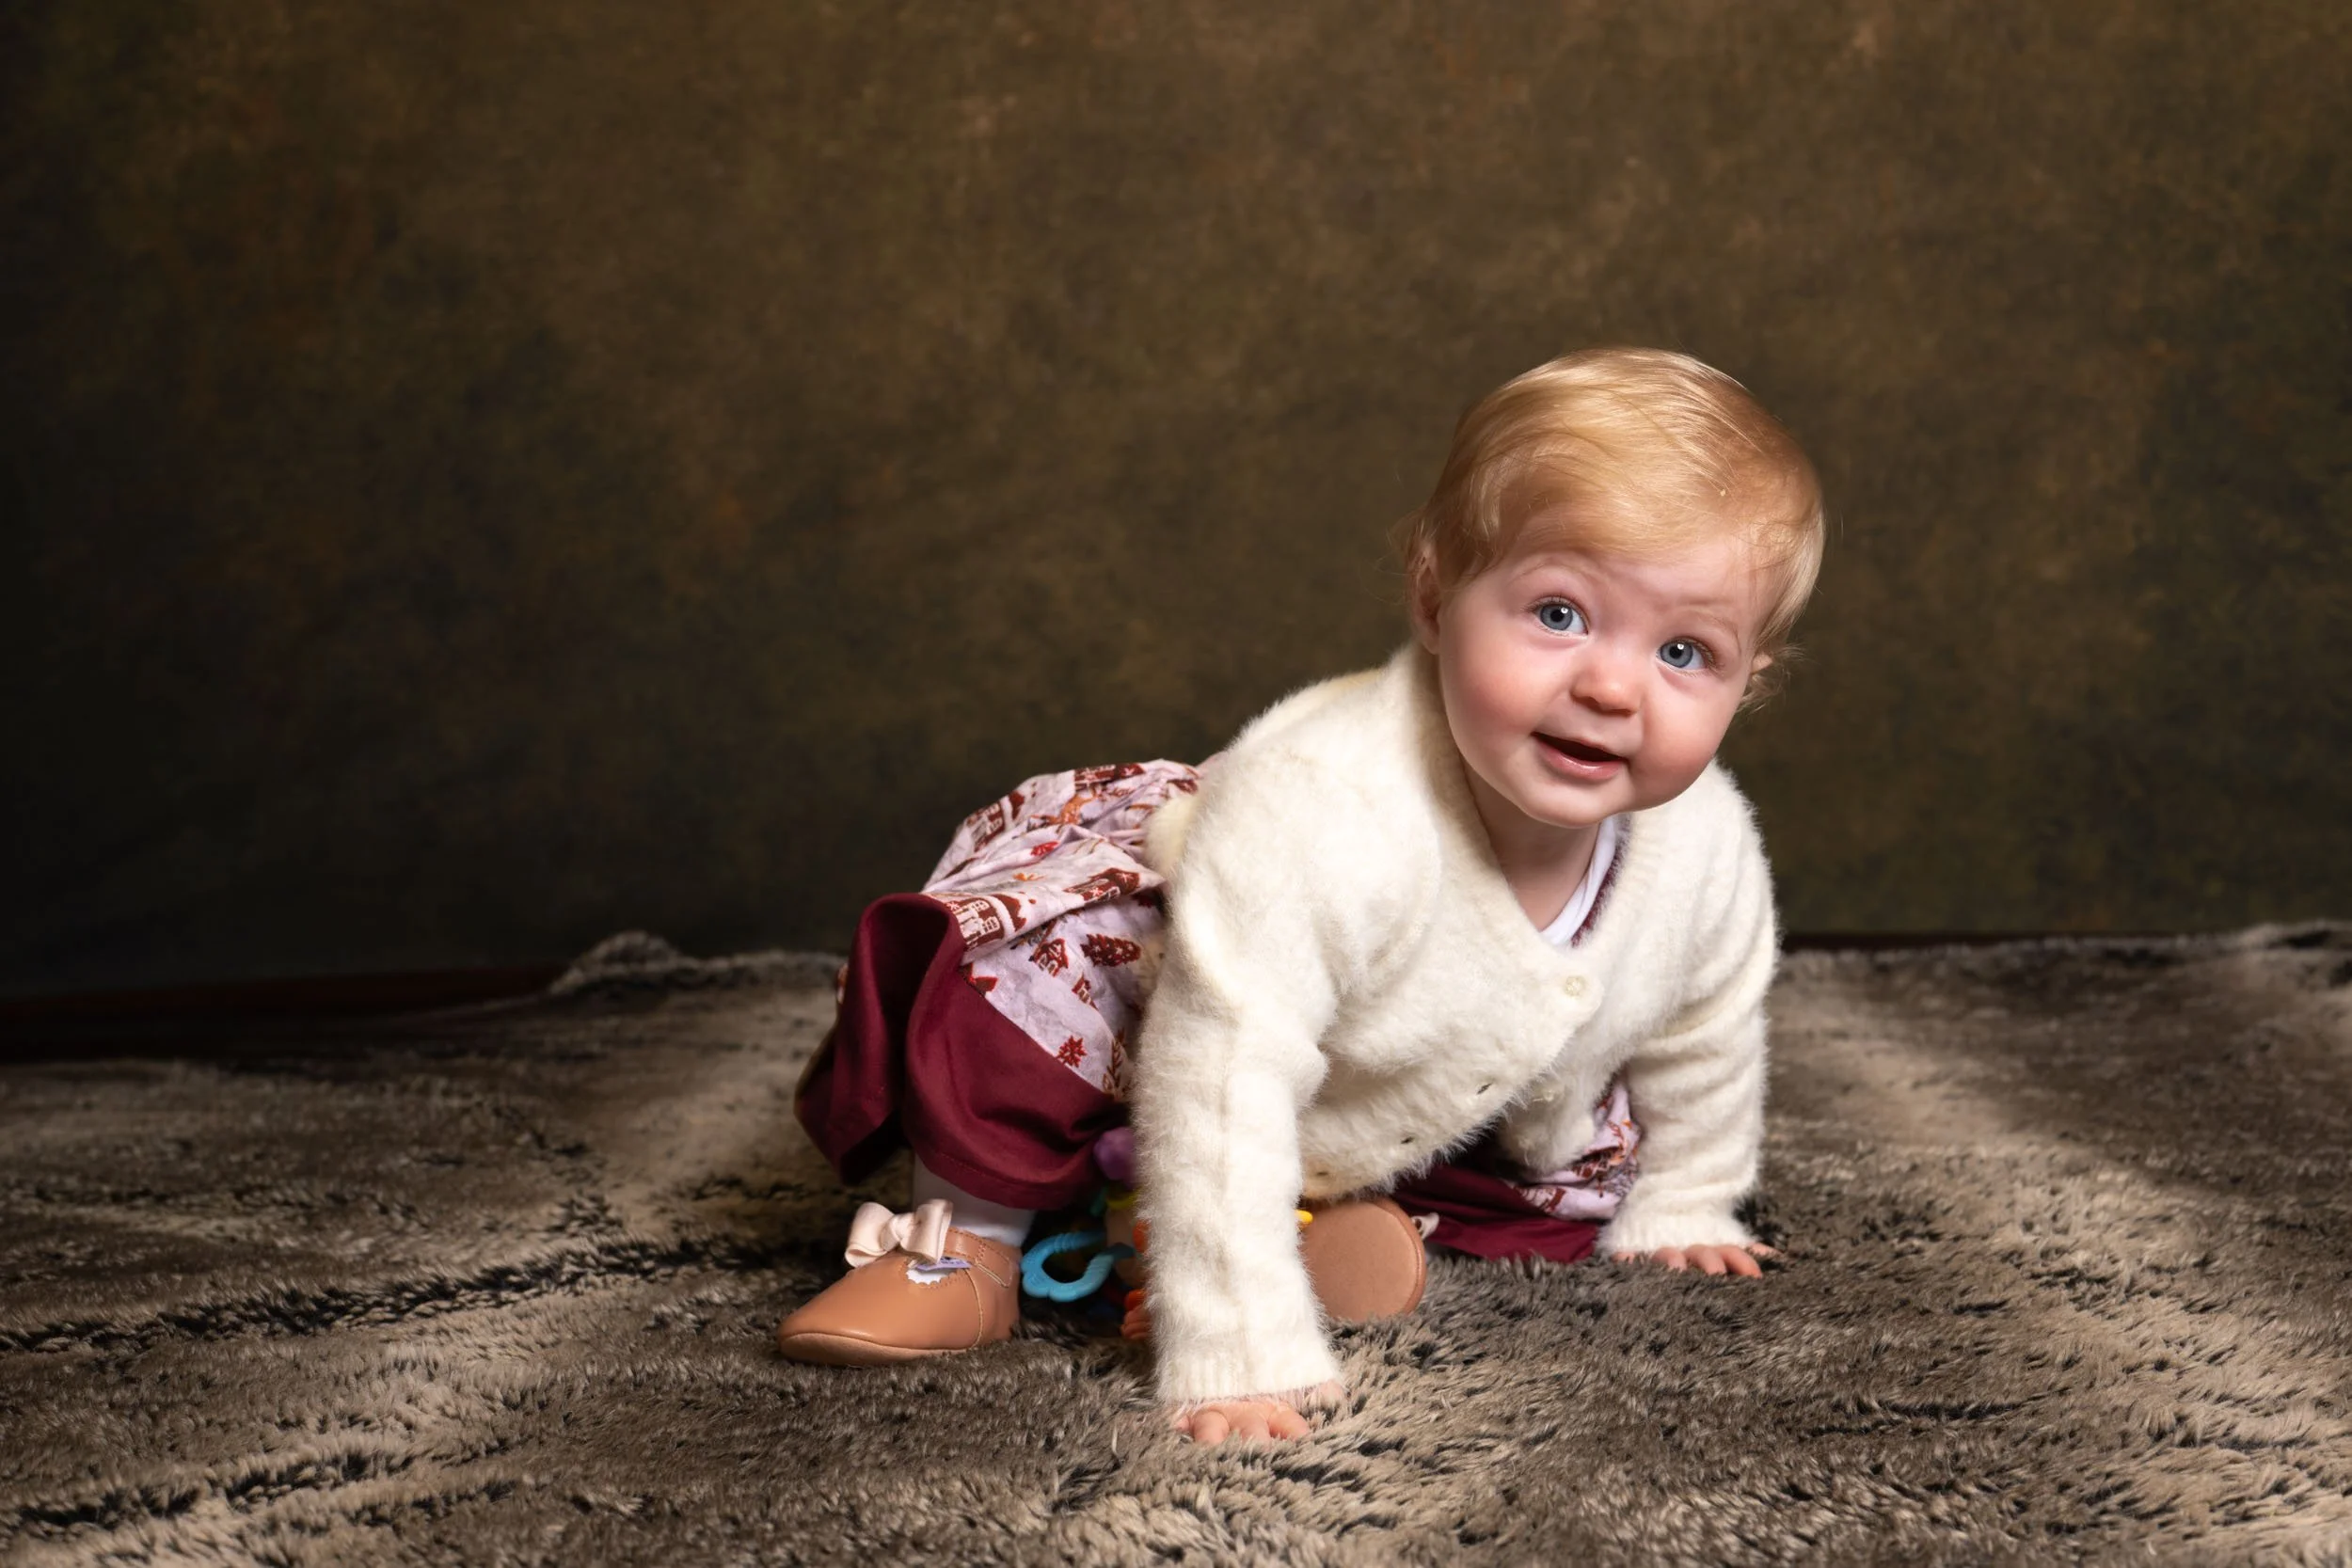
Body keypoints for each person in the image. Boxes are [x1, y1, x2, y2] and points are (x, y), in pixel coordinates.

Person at [782, 347, 1826, 1447]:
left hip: (1406, 1072)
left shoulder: (1702, 845)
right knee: (1033, 992)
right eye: (1559, 613)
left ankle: (1339, 1219)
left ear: (1746, 680)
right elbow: (1220, 1072)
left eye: (1682, 650)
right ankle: (972, 1242)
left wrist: (1687, 1198)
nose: (1611, 687)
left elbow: (1702, 1031)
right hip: (1193, 1002)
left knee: (1582, 1153)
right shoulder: (1329, 809)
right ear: (1435, 596)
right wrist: (1235, 1339)